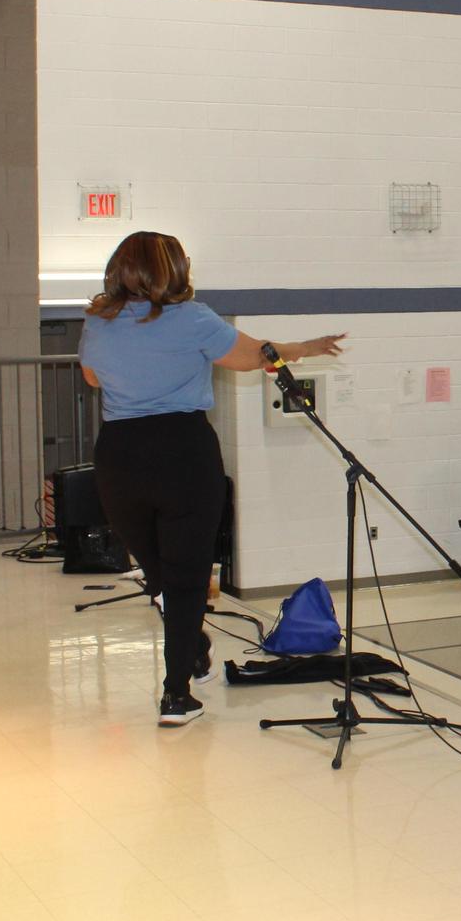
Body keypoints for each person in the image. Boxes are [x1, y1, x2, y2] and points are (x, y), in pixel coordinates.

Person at [78, 231, 346, 727]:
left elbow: (93, 378)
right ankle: (175, 695)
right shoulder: (193, 318)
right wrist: (304, 347)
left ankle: (193, 649)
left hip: (120, 457)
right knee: (183, 578)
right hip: (183, 452)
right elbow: (254, 356)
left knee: (161, 574)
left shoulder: (98, 321)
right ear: (173, 269)